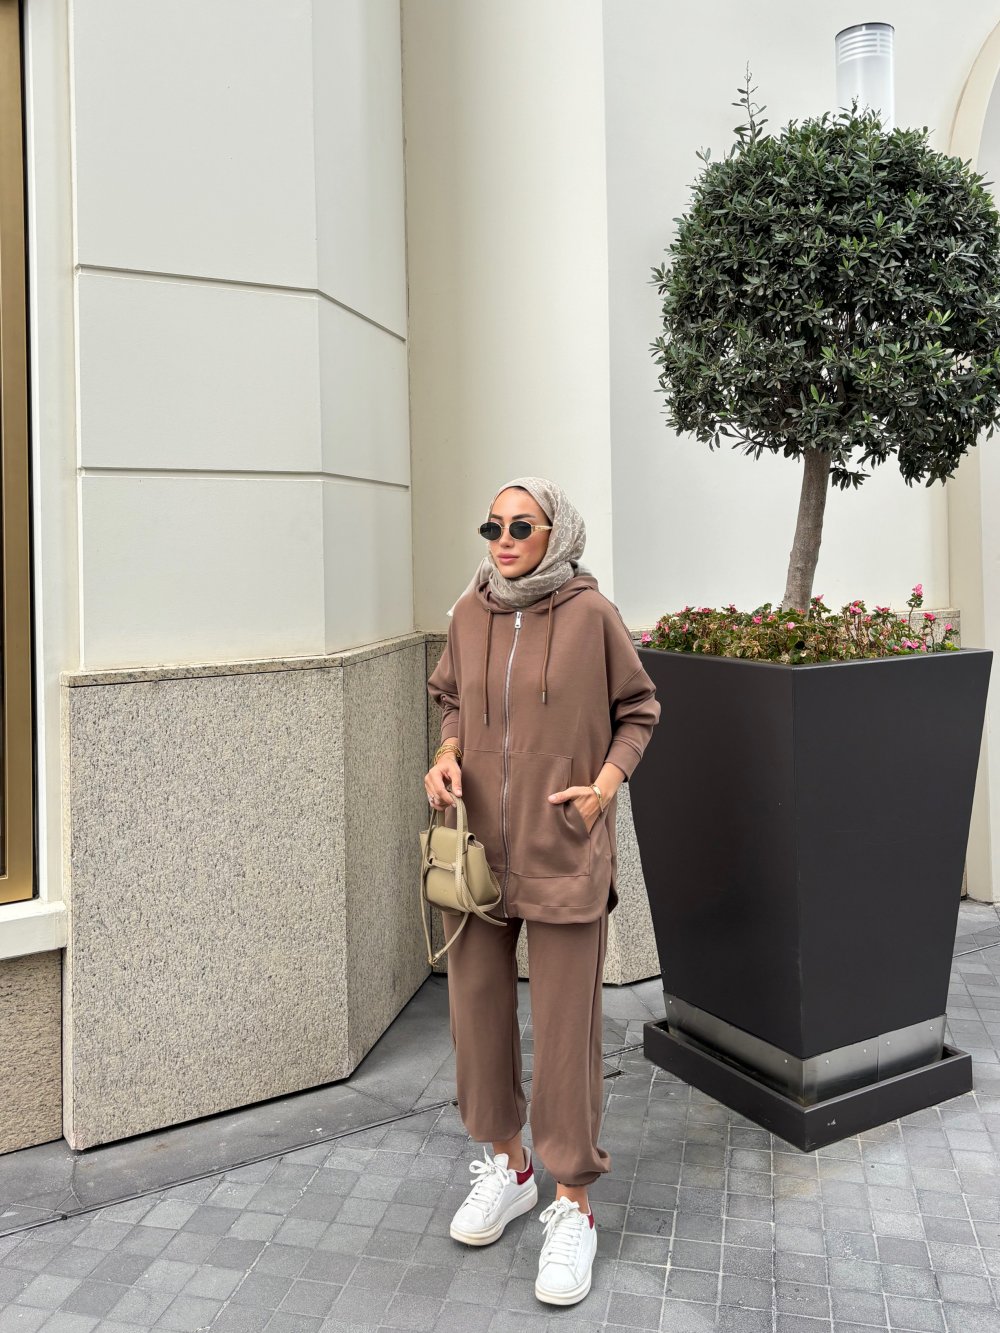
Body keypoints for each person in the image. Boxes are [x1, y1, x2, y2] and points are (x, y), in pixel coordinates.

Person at [424, 475, 661, 1307]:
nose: (503, 539)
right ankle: (511, 1165)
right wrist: (445, 755)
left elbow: (640, 709)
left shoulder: (592, 616)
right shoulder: (469, 611)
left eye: (521, 526)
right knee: (477, 1016)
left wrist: (603, 787)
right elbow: (449, 698)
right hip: (479, 855)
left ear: (556, 532)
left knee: (566, 1033)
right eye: (492, 525)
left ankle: (573, 1204)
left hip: (563, 847)